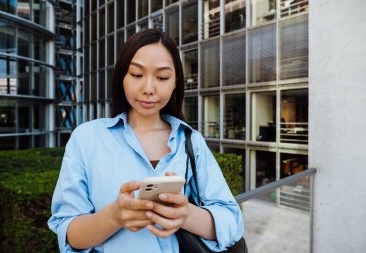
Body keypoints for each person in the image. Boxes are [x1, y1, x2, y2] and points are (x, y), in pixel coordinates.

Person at [48, 29, 244, 253]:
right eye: (137, 75)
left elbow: (232, 222)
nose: (148, 89)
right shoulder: (87, 138)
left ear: (175, 83)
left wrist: (186, 214)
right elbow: (69, 234)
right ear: (122, 76)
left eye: (162, 77)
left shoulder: (190, 139)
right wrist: (114, 217)